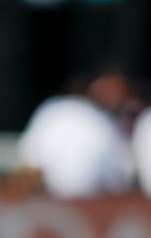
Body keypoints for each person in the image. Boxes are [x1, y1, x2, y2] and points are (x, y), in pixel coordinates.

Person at [11, 69, 139, 198]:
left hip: (83, 205)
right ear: (94, 86)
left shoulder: (53, 109)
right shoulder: (54, 111)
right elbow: (29, 166)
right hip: (66, 204)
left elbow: (29, 165)